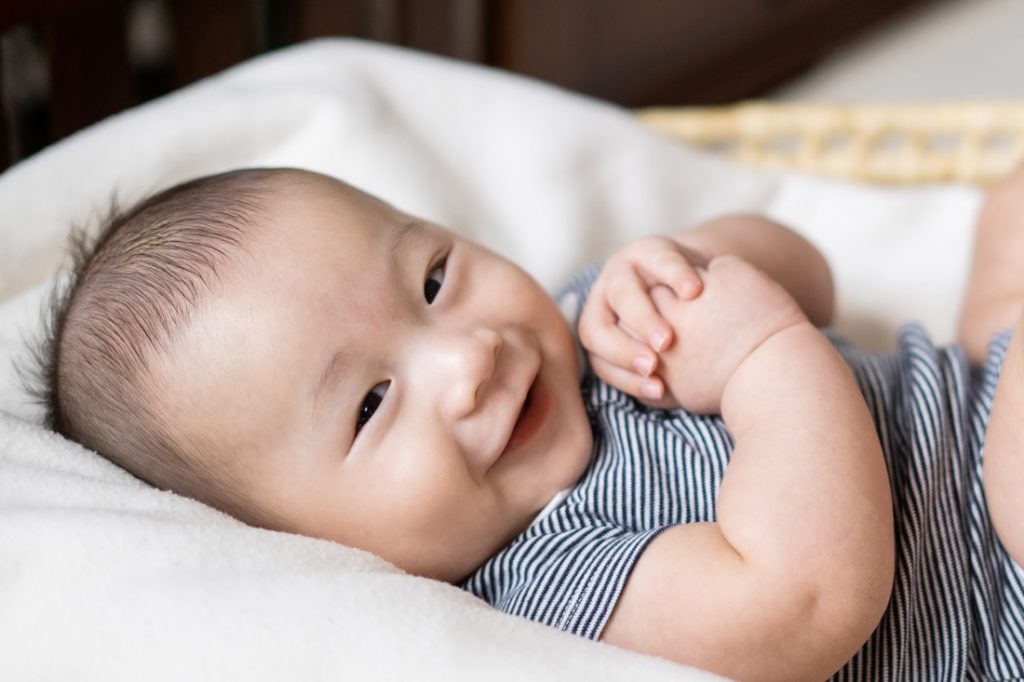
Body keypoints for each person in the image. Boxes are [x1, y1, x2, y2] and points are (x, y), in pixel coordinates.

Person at [30, 166, 1024, 681]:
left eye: (433, 278)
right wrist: (760, 351)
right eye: (373, 404)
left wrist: (688, 259)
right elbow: (808, 600)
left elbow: (808, 274)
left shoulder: (585, 325)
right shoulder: (553, 583)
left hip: (971, 387)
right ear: (304, 543)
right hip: (995, 592)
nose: (467, 359)